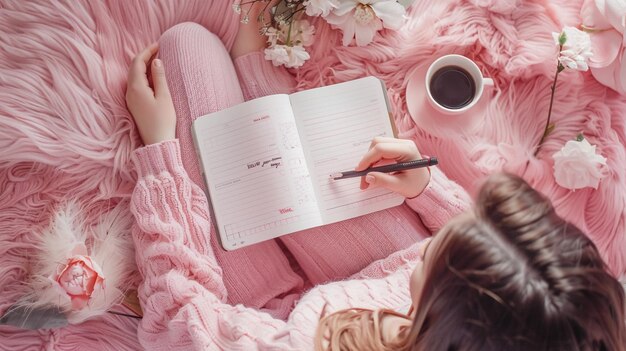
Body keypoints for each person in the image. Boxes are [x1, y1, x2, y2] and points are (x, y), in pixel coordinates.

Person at [125, 15, 626, 351]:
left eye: (438, 251)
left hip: (267, 312)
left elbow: (179, 317)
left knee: (186, 47)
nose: (442, 232)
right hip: (378, 274)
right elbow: (492, 259)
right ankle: (258, 88)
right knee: (287, 139)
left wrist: (160, 156)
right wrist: (425, 189)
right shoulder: (551, 321)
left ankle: (252, 97)